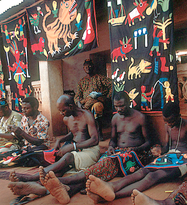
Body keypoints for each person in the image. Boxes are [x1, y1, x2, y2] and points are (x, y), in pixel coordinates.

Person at [8, 91, 153, 204]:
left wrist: (136, 150)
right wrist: (110, 147)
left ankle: (43, 182)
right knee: (95, 174)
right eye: (116, 106)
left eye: (122, 106)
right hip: (115, 154)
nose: (119, 109)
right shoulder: (115, 118)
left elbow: (149, 142)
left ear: (129, 102)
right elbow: (113, 141)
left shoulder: (140, 117)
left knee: (98, 169)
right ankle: (64, 190)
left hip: (133, 155)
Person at [84, 102, 187, 203]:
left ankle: (112, 196)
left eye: (171, 121)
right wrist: (160, 151)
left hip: (184, 160)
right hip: (169, 156)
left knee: (152, 176)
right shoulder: (167, 126)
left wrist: (177, 155)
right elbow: (167, 147)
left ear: (179, 116)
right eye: (166, 121)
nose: (168, 124)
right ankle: (111, 186)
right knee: (143, 171)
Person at [9, 94, 101, 182]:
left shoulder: (87, 115)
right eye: (60, 111)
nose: (61, 113)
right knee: (59, 163)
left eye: (63, 110)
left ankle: (31, 178)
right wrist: (59, 140)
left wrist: (73, 146)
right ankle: (40, 184)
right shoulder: (67, 118)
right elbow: (74, 134)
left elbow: (95, 140)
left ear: (71, 106)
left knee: (67, 157)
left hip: (90, 150)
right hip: (76, 150)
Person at [2, 96, 50, 167]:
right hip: (27, 148)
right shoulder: (24, 119)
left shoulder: (43, 121)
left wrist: (22, 133)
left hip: (39, 148)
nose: (23, 110)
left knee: (24, 159)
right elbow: (20, 138)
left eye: (27, 108)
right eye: (23, 108)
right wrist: (15, 131)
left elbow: (39, 142)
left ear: (35, 107)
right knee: (7, 157)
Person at [74, 59, 112, 131]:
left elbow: (112, 84)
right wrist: (79, 103)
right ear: (83, 68)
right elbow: (77, 96)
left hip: (97, 101)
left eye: (90, 65)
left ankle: (98, 130)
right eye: (86, 66)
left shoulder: (100, 78)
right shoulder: (81, 81)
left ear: (93, 67)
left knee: (97, 107)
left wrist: (107, 97)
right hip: (86, 103)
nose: (88, 67)